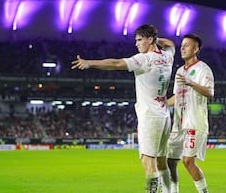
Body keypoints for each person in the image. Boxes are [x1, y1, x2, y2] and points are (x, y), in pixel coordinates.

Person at [71, 24, 175, 193]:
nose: (136, 44)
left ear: (150, 40)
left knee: (148, 161)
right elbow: (171, 44)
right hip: (164, 117)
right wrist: (156, 40)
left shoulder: (144, 59)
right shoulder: (167, 57)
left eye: (140, 40)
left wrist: (90, 63)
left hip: (150, 117)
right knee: (162, 162)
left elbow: (116, 63)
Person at [166, 33, 214, 193]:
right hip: (178, 125)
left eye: (187, 45)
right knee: (170, 161)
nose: (182, 47)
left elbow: (210, 92)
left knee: (188, 161)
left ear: (196, 49)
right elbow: (177, 97)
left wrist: (191, 83)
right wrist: (162, 103)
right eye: (182, 45)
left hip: (195, 123)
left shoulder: (203, 69)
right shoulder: (179, 71)